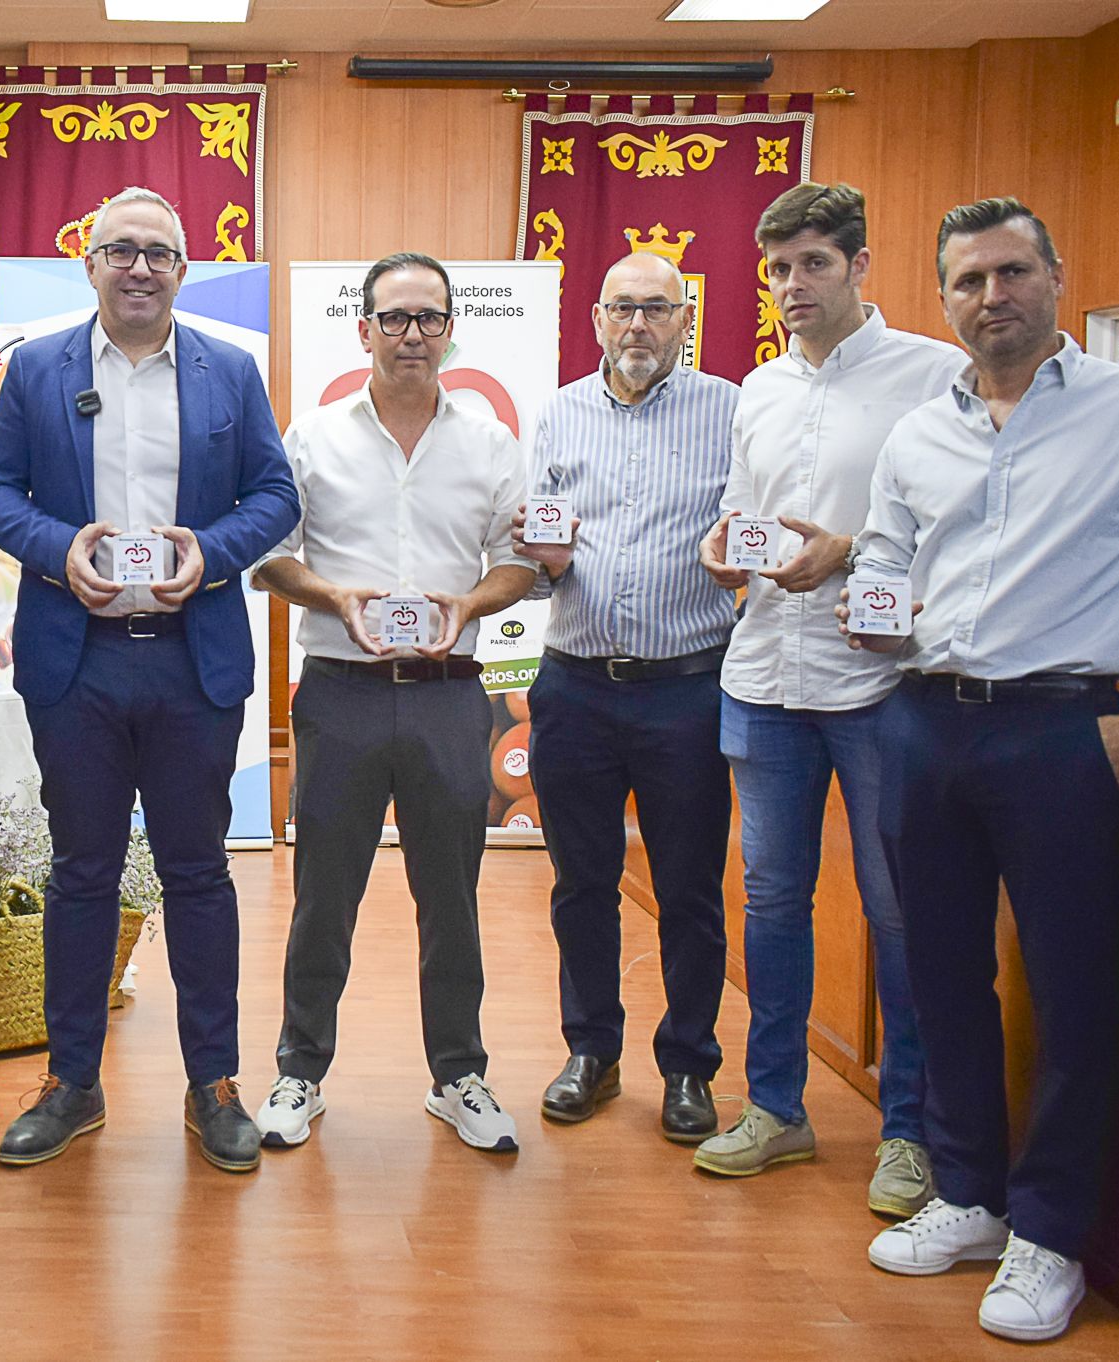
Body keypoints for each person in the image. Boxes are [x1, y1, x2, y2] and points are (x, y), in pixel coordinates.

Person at [850, 198, 1119, 1343]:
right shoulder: (914, 428)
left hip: (1064, 732)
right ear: (941, 299)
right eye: (970, 281)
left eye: (1012, 272)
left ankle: (1049, 1234)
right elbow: (885, 552)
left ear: (1053, 277)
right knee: (935, 978)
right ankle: (970, 1194)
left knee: (1076, 990)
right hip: (920, 726)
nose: (993, 297)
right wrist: (874, 607)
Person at [0, 186, 300, 1173]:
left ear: (182, 270)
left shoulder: (229, 373)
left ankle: (214, 1086)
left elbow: (273, 494)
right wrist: (57, 547)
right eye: (122, 250)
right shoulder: (35, 371)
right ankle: (71, 1083)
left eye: (159, 252)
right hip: (75, 664)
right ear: (90, 264)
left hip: (194, 662)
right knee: (80, 873)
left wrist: (213, 550)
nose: (141, 267)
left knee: (198, 874)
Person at [689, 183, 963, 1215]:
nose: (790, 287)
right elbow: (734, 512)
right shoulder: (755, 387)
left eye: (810, 264)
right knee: (767, 901)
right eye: (775, 271)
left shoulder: (933, 377)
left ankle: (909, 1133)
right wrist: (721, 548)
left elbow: (958, 516)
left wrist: (844, 554)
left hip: (879, 681)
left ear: (856, 264)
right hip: (762, 677)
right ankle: (775, 1110)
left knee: (898, 908)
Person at [251, 252, 535, 1154]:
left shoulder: (491, 443)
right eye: (395, 318)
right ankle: (300, 1072)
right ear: (364, 329)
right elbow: (273, 555)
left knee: (450, 898)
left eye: (430, 318)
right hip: (342, 695)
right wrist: (335, 598)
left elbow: (519, 563)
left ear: (452, 330)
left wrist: (470, 605)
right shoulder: (312, 438)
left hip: (453, 698)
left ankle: (460, 1076)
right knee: (322, 897)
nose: (413, 334)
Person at [516, 250, 740, 1145]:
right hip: (574, 688)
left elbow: (752, 535)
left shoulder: (732, 411)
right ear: (597, 320)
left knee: (688, 889)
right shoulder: (560, 414)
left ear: (686, 320)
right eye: (623, 309)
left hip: (689, 690)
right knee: (582, 883)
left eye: (658, 309)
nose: (639, 325)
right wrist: (544, 568)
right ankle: (591, 1051)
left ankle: (688, 1064)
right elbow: (537, 561)